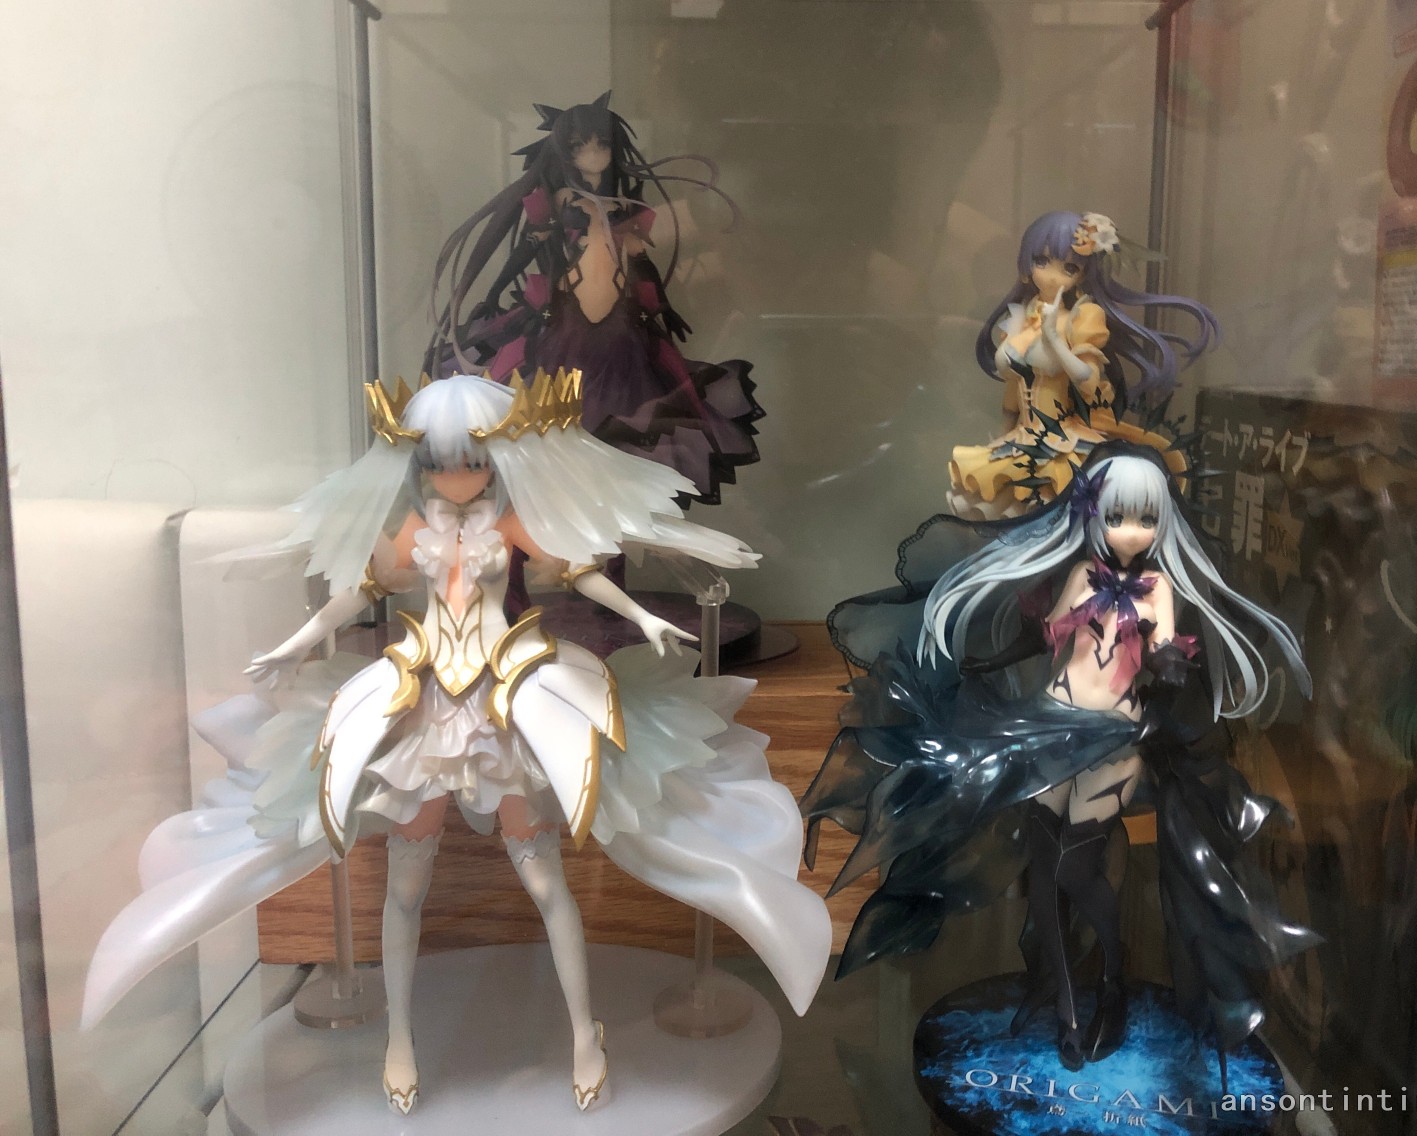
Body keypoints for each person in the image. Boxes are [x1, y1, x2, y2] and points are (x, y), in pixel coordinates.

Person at [82, 371, 830, 1115]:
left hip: (508, 700)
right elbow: (360, 591)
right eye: (440, 462)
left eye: (471, 460)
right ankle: (399, 1039)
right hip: (424, 706)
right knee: (406, 885)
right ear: (418, 462)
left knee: (545, 883)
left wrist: (643, 617)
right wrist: (296, 643)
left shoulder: (510, 522)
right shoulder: (415, 527)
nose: (456, 476)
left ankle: (584, 1034)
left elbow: (579, 573)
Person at [806, 442, 1317, 1070]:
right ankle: (1067, 1002)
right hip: (1048, 725)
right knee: (1044, 869)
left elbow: (1166, 647)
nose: (1132, 532)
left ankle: (1112, 978)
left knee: (1077, 870)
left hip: (1110, 737)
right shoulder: (1080, 577)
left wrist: (1167, 661)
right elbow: (1041, 637)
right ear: (1091, 516)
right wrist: (983, 660)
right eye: (1117, 516)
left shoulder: (1157, 588)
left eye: (1146, 518)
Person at [427, 92, 761, 506]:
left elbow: (638, 262)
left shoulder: (622, 203)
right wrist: (495, 289)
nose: (594, 154)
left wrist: (661, 306)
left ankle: (605, 511)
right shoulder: (559, 202)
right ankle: (565, 509)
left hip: (620, 324)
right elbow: (530, 247)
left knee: (630, 411)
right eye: (580, 146)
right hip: (569, 318)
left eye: (602, 144)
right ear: (565, 153)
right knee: (555, 407)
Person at [948, 212, 1214, 519]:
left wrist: (1055, 340)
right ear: (1026, 265)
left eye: (1069, 267)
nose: (1052, 276)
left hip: (1064, 442)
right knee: (995, 503)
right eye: (1041, 261)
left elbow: (1088, 381)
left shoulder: (1082, 317)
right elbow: (1013, 391)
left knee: (1054, 512)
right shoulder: (1021, 317)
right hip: (1022, 439)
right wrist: (1003, 434)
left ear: (1082, 275)